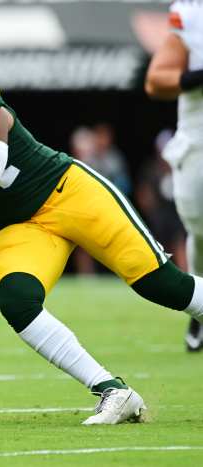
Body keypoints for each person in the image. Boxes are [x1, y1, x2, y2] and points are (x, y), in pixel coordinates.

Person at [0, 45, 203, 425]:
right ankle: (113, 390)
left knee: (162, 286)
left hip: (67, 193)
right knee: (17, 299)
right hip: (20, 226)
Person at [145, 0, 203, 352]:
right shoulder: (193, 15)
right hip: (199, 142)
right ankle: (200, 311)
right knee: (200, 230)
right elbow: (157, 80)